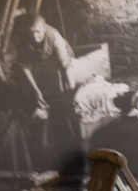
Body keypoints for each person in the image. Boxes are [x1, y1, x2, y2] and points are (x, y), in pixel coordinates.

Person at [13, 13, 84, 176]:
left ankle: (72, 163)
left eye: (38, 32)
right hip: (40, 68)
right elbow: (25, 67)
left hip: (58, 65)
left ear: (44, 28)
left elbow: (65, 67)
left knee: (63, 121)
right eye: (31, 33)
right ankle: (48, 165)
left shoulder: (54, 37)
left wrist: (70, 93)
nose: (35, 36)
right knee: (40, 123)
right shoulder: (22, 40)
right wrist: (36, 92)